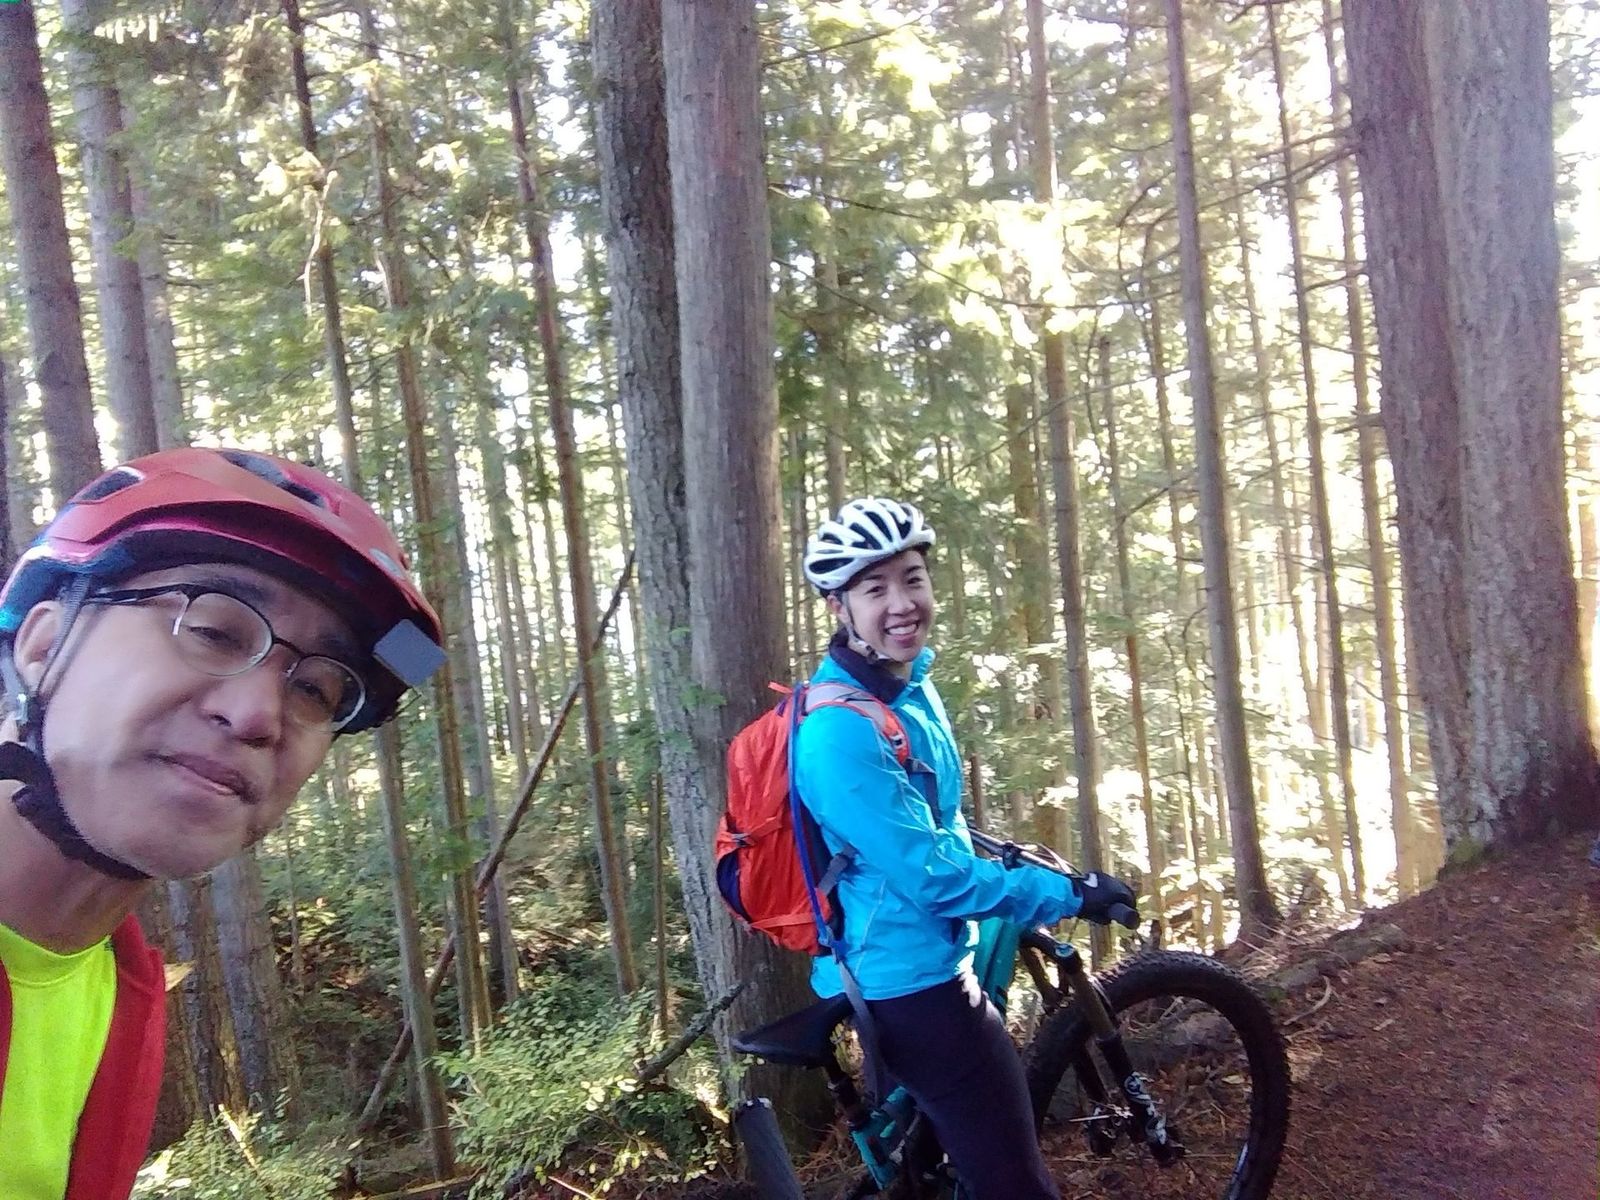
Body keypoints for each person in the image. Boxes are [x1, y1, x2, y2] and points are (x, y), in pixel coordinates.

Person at [0, 447, 445, 1200]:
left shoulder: (117, 990)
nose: (258, 716)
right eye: (213, 631)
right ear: (43, 645)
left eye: (317, 690)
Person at [793, 497, 1137, 1200]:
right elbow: (935, 881)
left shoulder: (907, 686)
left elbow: (924, 821)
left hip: (905, 956)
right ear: (839, 606)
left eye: (912, 578)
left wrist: (1006, 860)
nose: (901, 604)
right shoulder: (837, 733)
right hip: (911, 983)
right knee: (1016, 1186)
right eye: (874, 588)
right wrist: (1068, 895)